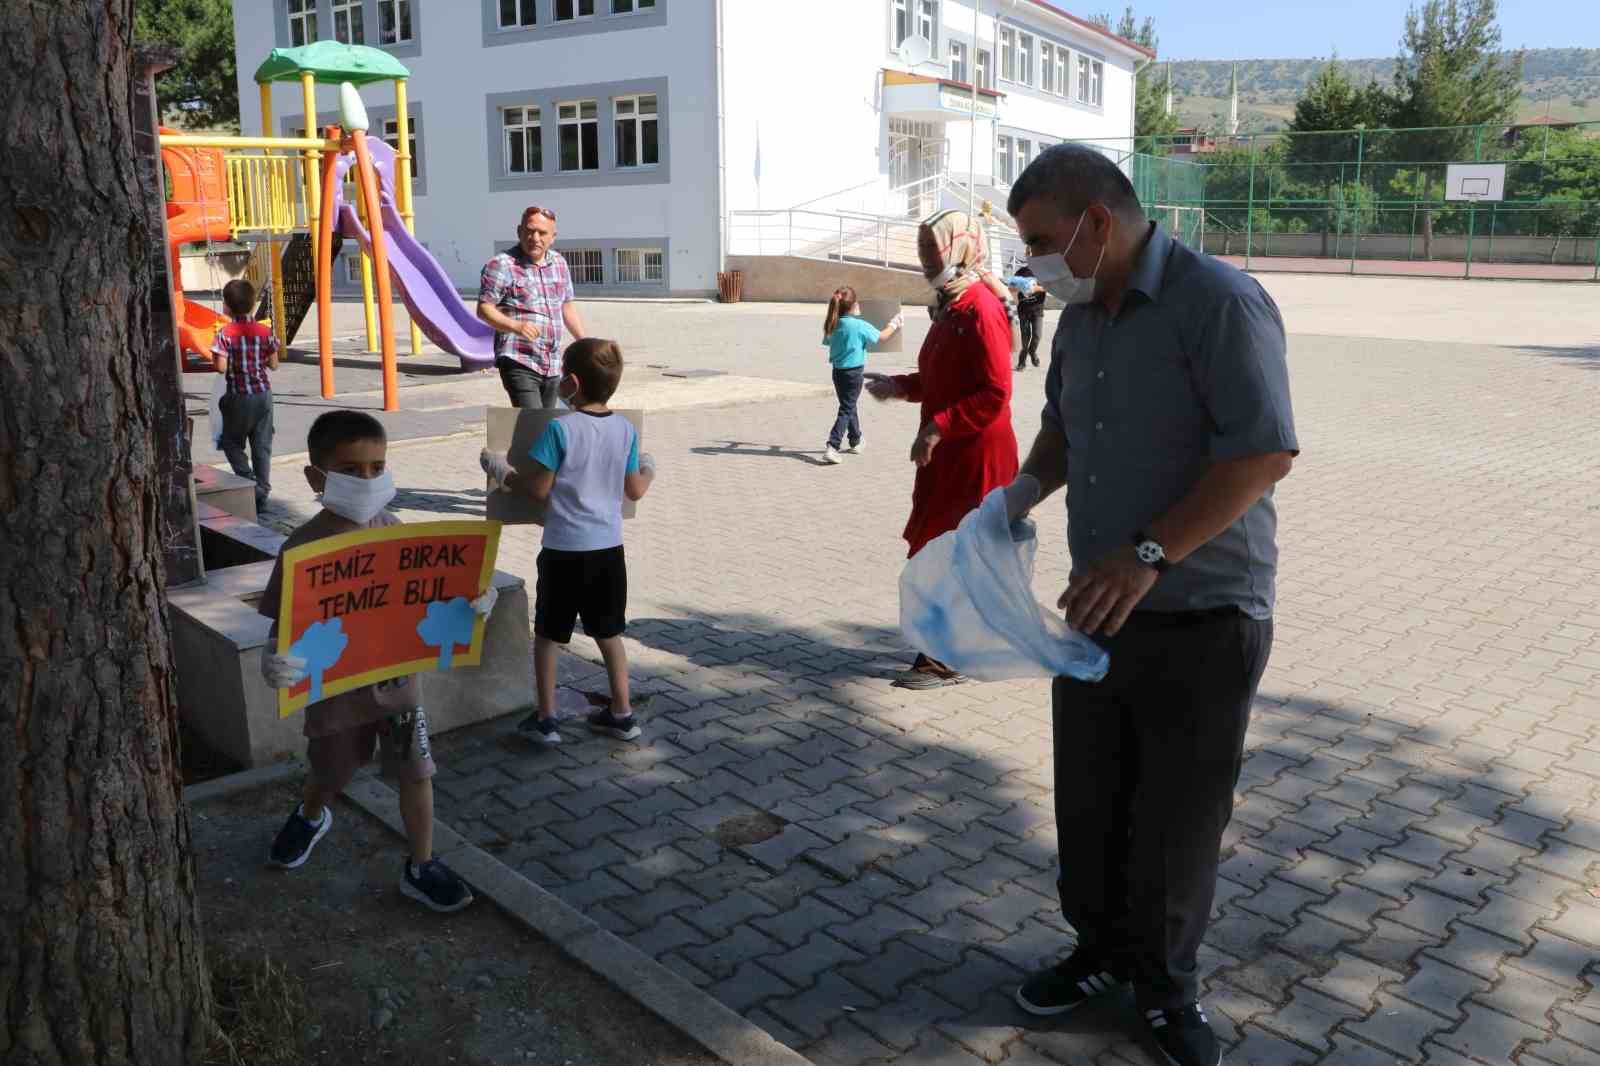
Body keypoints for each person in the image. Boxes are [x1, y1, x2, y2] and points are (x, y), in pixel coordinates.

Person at [1000, 144, 1297, 1066]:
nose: (1036, 263)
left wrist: (1148, 555)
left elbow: (1261, 456)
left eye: (1044, 240)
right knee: (1091, 804)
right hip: (1097, 609)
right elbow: (1060, 429)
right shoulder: (1082, 317)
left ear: (1098, 221)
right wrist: (1015, 496)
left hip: (1203, 614)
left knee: (1175, 819)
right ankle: (1102, 950)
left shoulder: (1221, 303)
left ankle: (1167, 991)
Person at [257, 410, 491, 912]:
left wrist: (470, 607)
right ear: (316, 477)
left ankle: (421, 864)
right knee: (330, 768)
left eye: (377, 466)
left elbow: (425, 603)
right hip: (334, 692)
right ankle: (313, 814)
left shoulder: (397, 534)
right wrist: (273, 661)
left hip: (399, 686)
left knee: (416, 769)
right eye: (351, 468)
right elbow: (283, 629)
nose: (367, 478)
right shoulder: (301, 549)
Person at [865, 210, 1019, 689]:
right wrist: (900, 386)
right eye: (921, 247)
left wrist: (937, 427)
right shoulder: (951, 305)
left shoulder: (979, 308)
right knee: (937, 547)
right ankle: (949, 645)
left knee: (952, 552)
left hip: (975, 453)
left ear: (959, 247)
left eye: (931, 247)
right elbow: (942, 378)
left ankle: (945, 656)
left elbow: (996, 392)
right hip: (949, 453)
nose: (924, 257)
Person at [480, 338, 656, 746]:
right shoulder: (625, 430)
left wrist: (502, 471)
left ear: (571, 383)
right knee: (608, 632)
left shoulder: (559, 429)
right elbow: (635, 491)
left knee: (549, 634)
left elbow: (538, 489)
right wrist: (648, 468)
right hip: (609, 550)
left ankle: (546, 719)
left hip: (563, 550)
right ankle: (622, 714)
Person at [476, 206, 588, 409]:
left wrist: (585, 342)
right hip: (519, 360)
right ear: (519, 231)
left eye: (542, 233)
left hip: (552, 363)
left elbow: (567, 306)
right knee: (533, 423)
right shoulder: (501, 264)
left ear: (553, 236)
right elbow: (484, 309)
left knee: (545, 426)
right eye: (529, 231)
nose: (535, 237)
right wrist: (516, 326)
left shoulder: (559, 263)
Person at [211, 279, 279, 513]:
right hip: (263, 394)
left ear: (227, 306)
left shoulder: (224, 334)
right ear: (252, 304)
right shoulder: (265, 331)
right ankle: (263, 491)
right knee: (262, 445)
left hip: (238, 395)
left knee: (231, 442)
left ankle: (249, 483)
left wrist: (218, 358)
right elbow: (274, 364)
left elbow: (221, 368)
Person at [820, 285, 902, 465]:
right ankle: (832, 446)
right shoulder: (859, 325)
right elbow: (881, 337)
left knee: (848, 404)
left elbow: (829, 342)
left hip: (838, 372)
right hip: (854, 373)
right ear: (853, 305)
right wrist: (894, 323)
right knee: (846, 408)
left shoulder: (832, 322)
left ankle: (856, 440)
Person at [1008, 265, 1047, 370]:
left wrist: (1035, 288)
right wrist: (1020, 288)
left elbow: (1049, 287)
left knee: (1037, 335)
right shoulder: (1021, 271)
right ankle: (1022, 362)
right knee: (1025, 339)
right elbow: (1011, 287)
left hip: (1037, 310)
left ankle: (1032, 351)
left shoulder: (1043, 271)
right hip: (1023, 310)